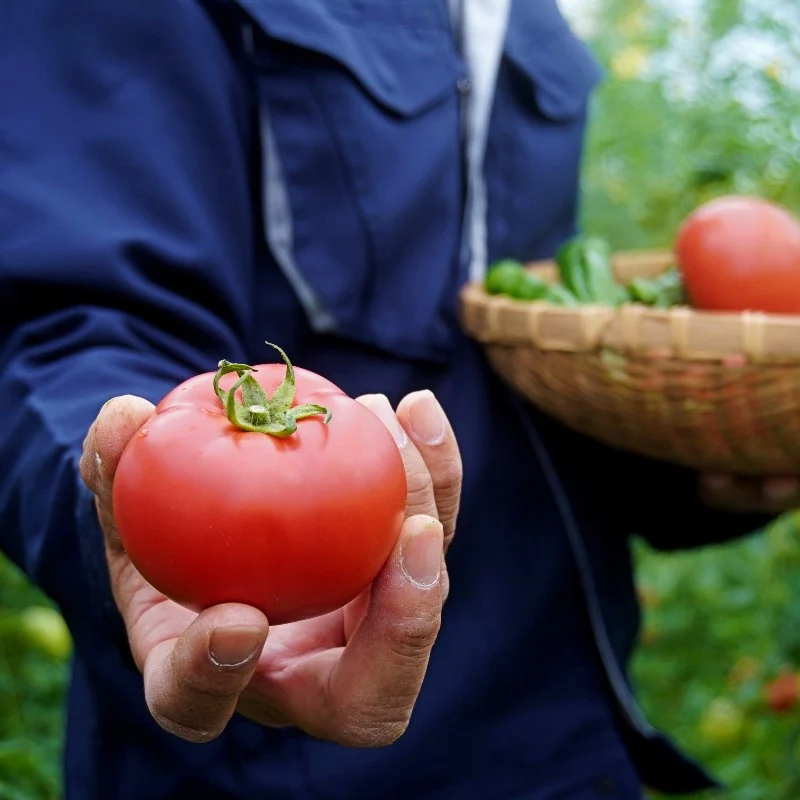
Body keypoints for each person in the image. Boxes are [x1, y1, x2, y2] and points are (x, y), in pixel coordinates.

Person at [0, 1, 793, 798]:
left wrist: (702, 470)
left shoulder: (524, 18)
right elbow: (65, 323)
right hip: (265, 755)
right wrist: (116, 515)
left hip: (564, 736)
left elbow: (524, 395)